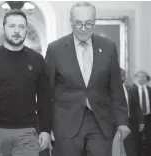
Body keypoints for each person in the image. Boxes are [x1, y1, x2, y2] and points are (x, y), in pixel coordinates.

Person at [45, 2, 130, 156]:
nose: (83, 28)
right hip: (66, 123)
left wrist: (122, 122)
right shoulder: (55, 49)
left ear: (95, 21)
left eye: (88, 23)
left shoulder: (108, 47)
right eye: (78, 23)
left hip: (101, 123)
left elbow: (116, 88)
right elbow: (46, 92)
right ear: (71, 21)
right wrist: (45, 128)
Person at [0, 9, 52, 156]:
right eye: (12, 26)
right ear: (3, 29)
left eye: (21, 27)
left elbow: (45, 99)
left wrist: (45, 129)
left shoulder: (37, 60)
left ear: (26, 29)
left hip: (27, 132)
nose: (17, 31)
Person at [130, 71, 151, 156]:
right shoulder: (131, 90)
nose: (142, 78)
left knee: (149, 139)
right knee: (137, 139)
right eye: (140, 76)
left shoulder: (149, 90)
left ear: (147, 79)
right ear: (136, 78)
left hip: (148, 117)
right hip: (136, 119)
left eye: (144, 76)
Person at [120, 69, 137, 156]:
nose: (121, 77)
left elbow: (136, 107)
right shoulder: (106, 90)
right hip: (113, 123)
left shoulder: (131, 89)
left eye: (123, 75)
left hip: (129, 121)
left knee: (130, 145)